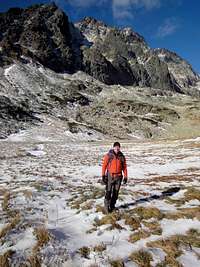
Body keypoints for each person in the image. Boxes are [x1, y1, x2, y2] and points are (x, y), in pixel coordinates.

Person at [102, 142, 128, 213]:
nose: (117, 149)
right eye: (115, 147)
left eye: (118, 147)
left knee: (115, 193)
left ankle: (112, 206)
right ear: (113, 147)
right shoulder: (109, 156)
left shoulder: (122, 156)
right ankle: (106, 208)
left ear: (119, 148)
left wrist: (125, 177)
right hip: (110, 176)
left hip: (119, 177)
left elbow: (124, 167)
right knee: (108, 192)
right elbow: (104, 166)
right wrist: (103, 175)